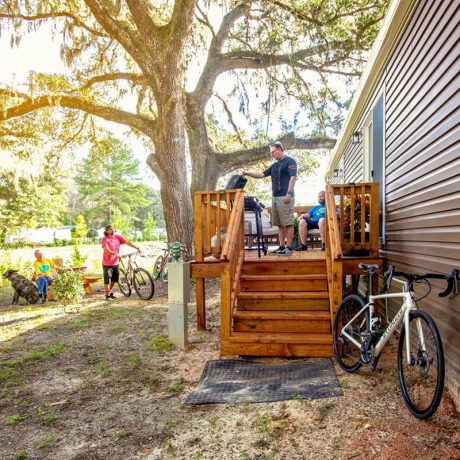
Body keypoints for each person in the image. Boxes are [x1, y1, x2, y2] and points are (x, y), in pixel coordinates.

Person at [243, 142, 297, 255]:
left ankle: (289, 248)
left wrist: (289, 193)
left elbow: (292, 178)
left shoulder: (290, 161)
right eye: (271, 153)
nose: (272, 155)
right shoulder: (275, 165)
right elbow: (262, 174)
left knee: (288, 223)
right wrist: (248, 173)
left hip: (285, 196)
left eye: (273, 152)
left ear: (280, 149)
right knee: (280, 224)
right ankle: (282, 247)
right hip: (275, 197)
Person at [101, 225, 140, 301]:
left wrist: (136, 247)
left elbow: (127, 242)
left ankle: (108, 292)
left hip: (116, 262)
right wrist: (115, 254)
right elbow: (106, 250)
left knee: (114, 279)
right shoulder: (105, 239)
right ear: (107, 231)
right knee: (107, 280)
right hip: (107, 263)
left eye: (113, 229)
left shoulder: (117, 237)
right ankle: (108, 295)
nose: (112, 230)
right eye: (110, 229)